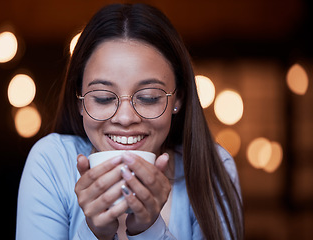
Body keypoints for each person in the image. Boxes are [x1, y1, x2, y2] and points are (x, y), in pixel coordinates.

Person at [16, 3, 243, 240]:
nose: (125, 118)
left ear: (178, 99)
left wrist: (150, 230)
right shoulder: (53, 162)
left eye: (148, 98)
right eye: (103, 99)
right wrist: (94, 233)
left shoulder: (211, 168)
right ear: (80, 102)